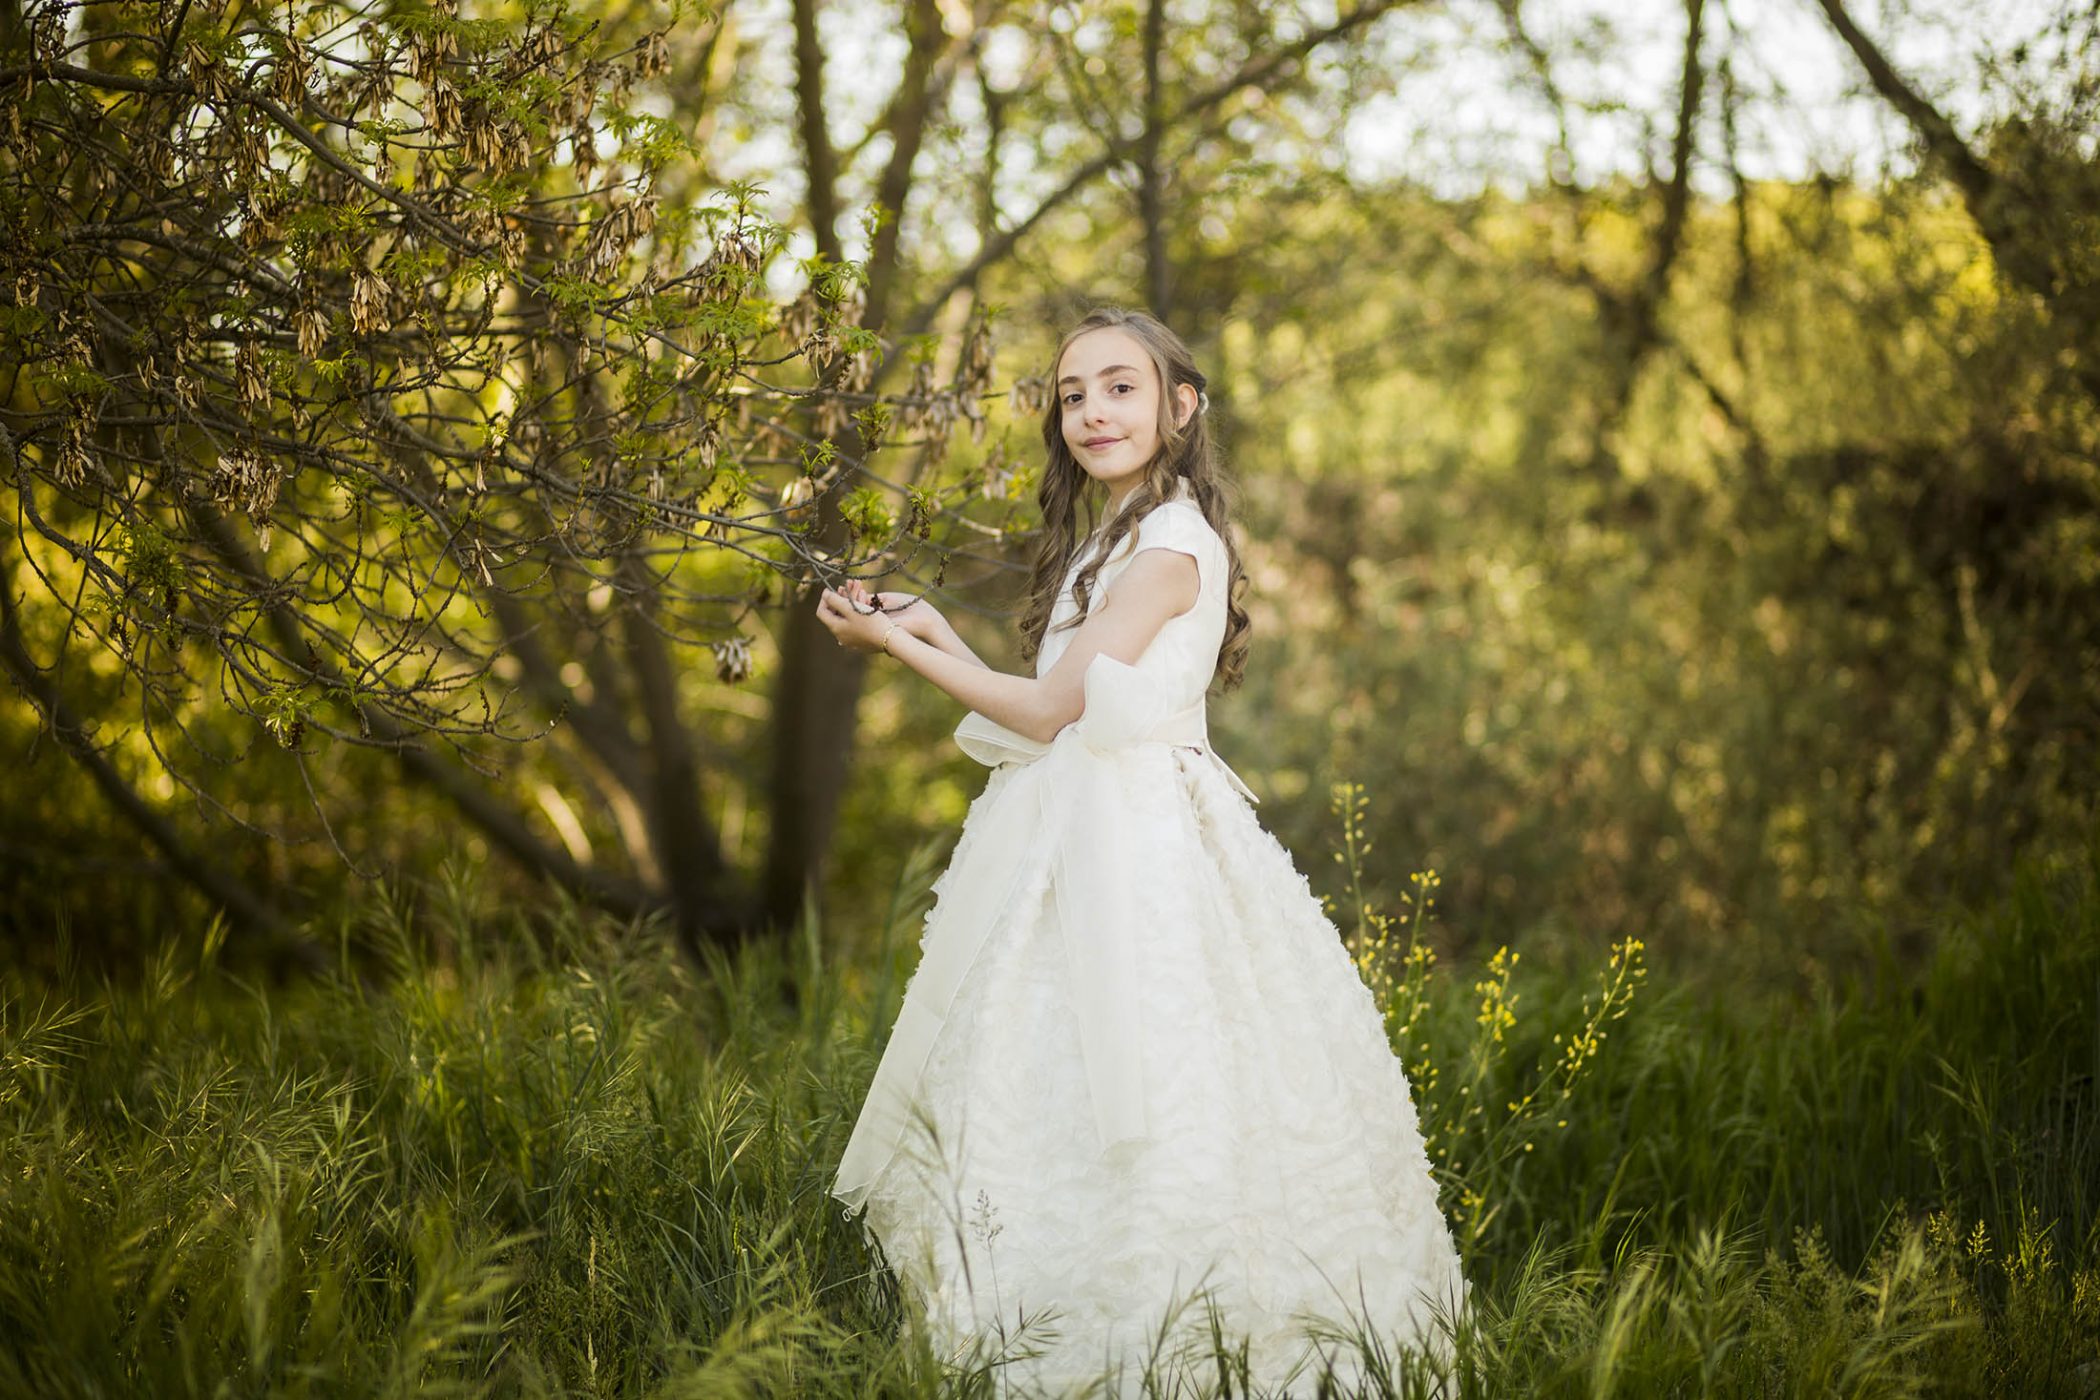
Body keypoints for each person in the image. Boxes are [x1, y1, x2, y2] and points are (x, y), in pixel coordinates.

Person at [815, 306, 1467, 1395]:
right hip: (1080, 832)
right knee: (1050, 1072)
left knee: (1159, 1079)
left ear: (1182, 405)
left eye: (1120, 387)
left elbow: (1050, 712)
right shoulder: (1112, 537)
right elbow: (1046, 699)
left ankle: (1170, 1338)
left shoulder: (1170, 545)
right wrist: (927, 623)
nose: (1092, 412)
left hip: (1143, 848)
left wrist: (891, 645)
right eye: (1073, 393)